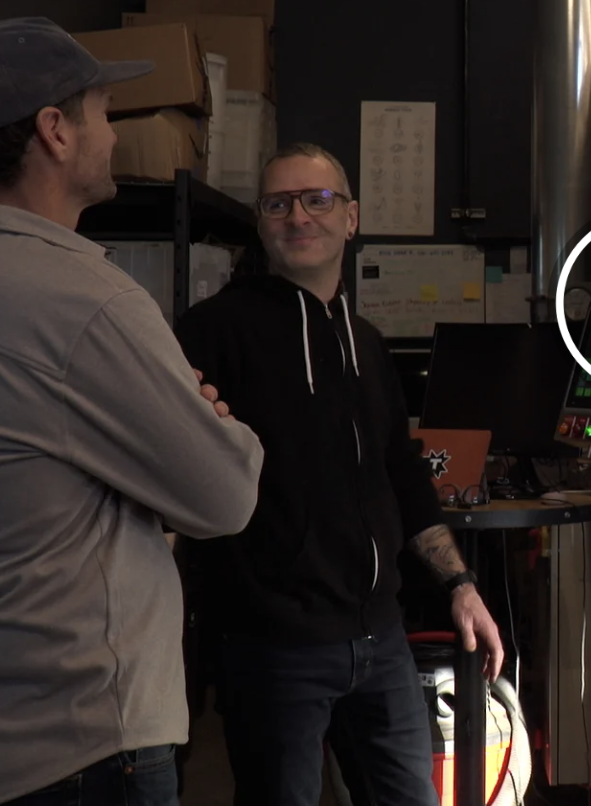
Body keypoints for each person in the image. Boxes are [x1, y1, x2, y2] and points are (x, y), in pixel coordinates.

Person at [0, 17, 266, 806]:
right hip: (83, 749)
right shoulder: (88, 303)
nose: (112, 136)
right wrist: (209, 423)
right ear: (55, 131)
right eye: (105, 113)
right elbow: (225, 496)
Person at [175, 142, 505, 806]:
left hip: (381, 641)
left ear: (350, 218)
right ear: (262, 221)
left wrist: (460, 584)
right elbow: (179, 480)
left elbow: (402, 476)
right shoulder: (212, 332)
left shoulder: (368, 341)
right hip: (274, 649)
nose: (299, 216)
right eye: (279, 202)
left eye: (317, 199)